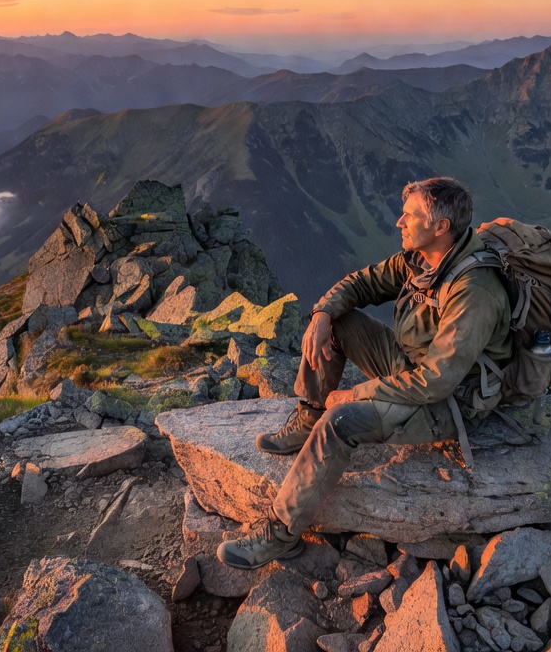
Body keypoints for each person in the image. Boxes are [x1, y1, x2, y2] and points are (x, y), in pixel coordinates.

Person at [217, 176, 513, 569]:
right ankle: (309, 415)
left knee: (341, 421)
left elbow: (436, 381)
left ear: (440, 227)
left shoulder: (473, 290)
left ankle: (280, 533)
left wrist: (355, 394)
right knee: (339, 322)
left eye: (410, 215)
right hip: (411, 367)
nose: (399, 222)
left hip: (448, 402)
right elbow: (361, 283)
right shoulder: (422, 260)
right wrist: (323, 313)